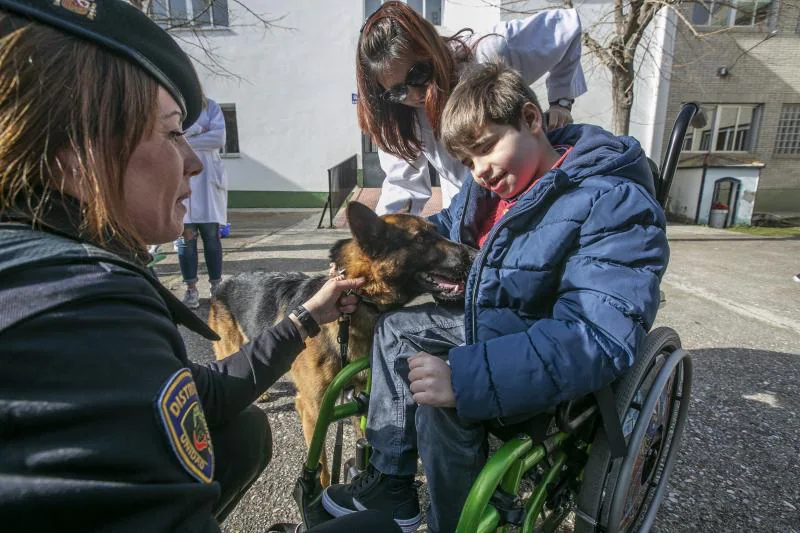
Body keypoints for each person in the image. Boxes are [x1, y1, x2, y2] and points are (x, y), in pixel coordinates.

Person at [0, 2, 401, 532]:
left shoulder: (41, 262)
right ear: (77, 152)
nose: (192, 160)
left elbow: (194, 391)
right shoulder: (80, 307)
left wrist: (303, 319)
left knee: (245, 432)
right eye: (171, 133)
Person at [323, 62, 670, 533]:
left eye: (485, 149)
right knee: (396, 329)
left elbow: (596, 336)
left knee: (437, 398)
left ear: (531, 119)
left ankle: (431, 508)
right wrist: (357, 274)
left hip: (547, 340)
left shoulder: (611, 202)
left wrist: (464, 380)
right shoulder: (488, 190)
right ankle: (391, 481)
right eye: (467, 162)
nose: (479, 171)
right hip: (491, 319)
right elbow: (437, 235)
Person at [357, 1, 587, 216]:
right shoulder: (401, 116)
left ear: (432, 49)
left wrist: (561, 101)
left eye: (418, 74)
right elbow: (403, 186)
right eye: (398, 91)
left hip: (533, 198)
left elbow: (566, 25)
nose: (415, 94)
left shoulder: (488, 53)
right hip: (471, 216)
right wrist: (373, 246)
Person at [178, 95, 228, 308]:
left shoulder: (211, 107)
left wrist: (186, 137)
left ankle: (216, 287)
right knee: (184, 240)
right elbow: (168, 138)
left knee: (211, 238)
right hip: (182, 181)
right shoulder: (176, 107)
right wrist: (202, 132)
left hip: (208, 184)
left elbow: (219, 139)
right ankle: (191, 290)